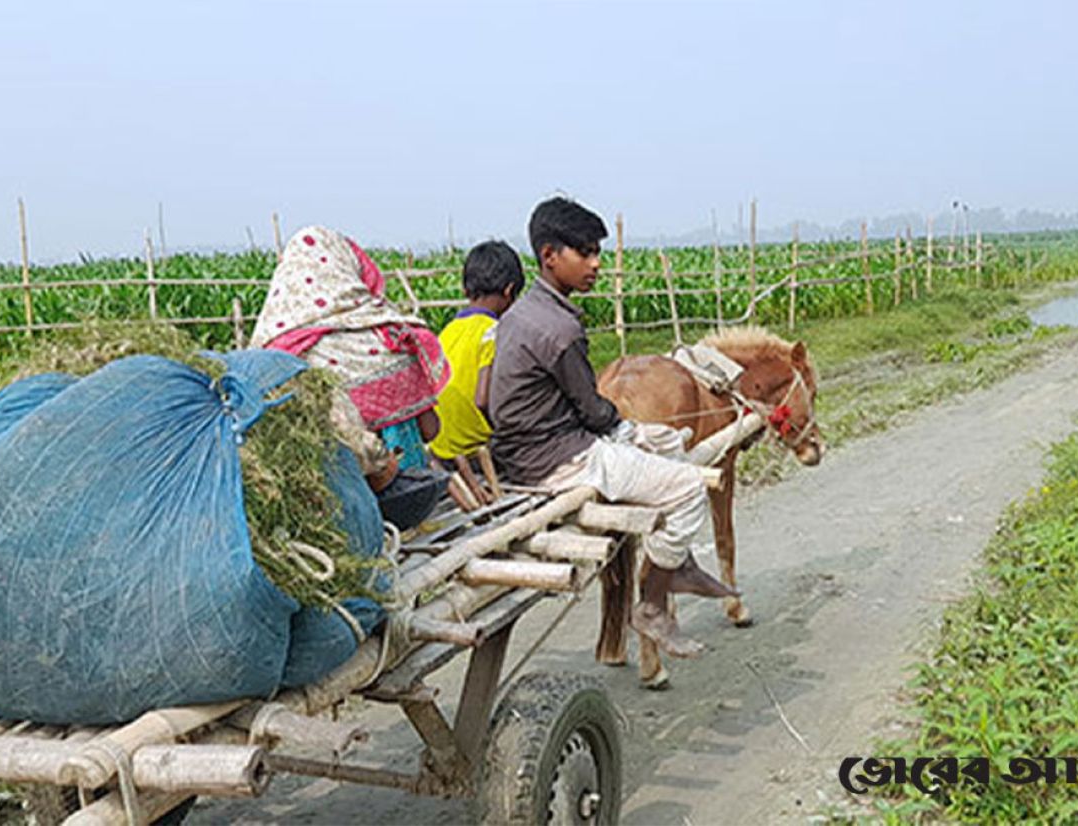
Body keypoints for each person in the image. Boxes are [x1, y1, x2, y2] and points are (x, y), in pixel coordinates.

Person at [488, 197, 738, 658]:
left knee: (666, 442)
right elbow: (592, 410)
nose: (596, 264)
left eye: (597, 252)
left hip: (528, 452)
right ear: (550, 256)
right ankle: (655, 604)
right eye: (585, 252)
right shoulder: (559, 330)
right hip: (561, 460)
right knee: (686, 487)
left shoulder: (519, 315)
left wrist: (637, 435)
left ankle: (678, 561)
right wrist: (627, 434)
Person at [249, 226, 450, 484]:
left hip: (320, 500)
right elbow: (430, 429)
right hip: (404, 496)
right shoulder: (389, 339)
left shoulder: (270, 355)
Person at [428, 240, 525, 461]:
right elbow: (482, 400)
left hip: (441, 449)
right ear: (509, 291)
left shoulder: (446, 332)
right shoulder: (492, 333)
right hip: (476, 452)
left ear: (465, 289)